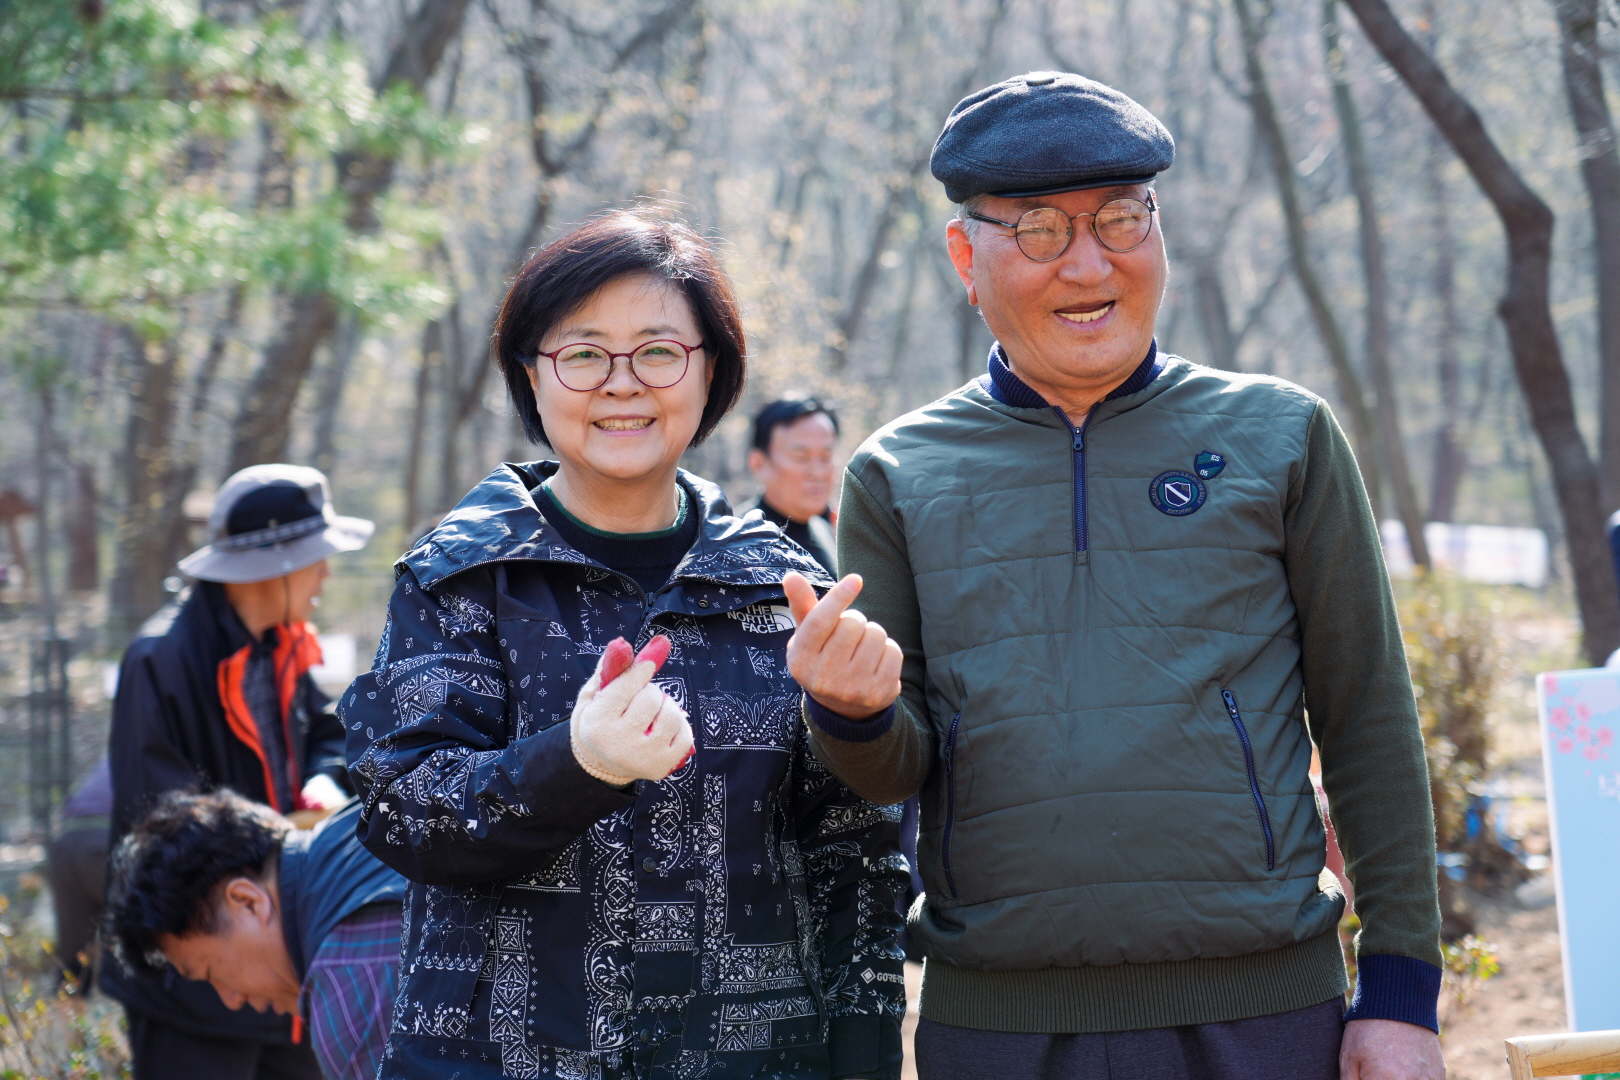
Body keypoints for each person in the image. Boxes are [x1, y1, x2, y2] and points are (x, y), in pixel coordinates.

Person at [784, 72, 1444, 1080]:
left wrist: (1400, 996)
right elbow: (894, 769)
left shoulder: (1283, 436)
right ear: (966, 256)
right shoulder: (900, 472)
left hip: (1265, 1013)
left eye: (1122, 219)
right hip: (999, 1028)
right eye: (1040, 229)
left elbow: (1368, 719)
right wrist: (851, 710)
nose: (1090, 263)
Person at [341, 209, 906, 1080]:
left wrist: (858, 720)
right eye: (583, 354)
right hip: (492, 1059)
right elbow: (401, 814)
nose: (621, 384)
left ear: (711, 370)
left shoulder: (784, 587)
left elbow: (855, 856)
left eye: (658, 352)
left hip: (755, 1061)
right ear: (531, 375)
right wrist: (576, 763)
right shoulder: (462, 576)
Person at [103, 463, 372, 1079]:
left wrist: (325, 783)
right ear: (275, 564)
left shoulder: (284, 644)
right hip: (195, 989)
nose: (326, 572)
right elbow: (162, 830)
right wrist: (279, 837)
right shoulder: (160, 659)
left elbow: (325, 732)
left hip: (280, 969)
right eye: (317, 556)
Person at [104, 791, 405, 1080]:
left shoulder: (347, 991)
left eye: (211, 973)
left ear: (247, 901)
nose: (232, 1000)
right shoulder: (361, 818)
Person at [747, 398, 840, 574]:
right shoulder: (737, 542)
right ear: (758, 463)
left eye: (826, 457)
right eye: (800, 457)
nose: (818, 473)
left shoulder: (830, 533)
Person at [48, 756, 112, 985]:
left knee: (72, 956)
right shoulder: (153, 753)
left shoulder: (107, 760)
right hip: (103, 843)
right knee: (138, 939)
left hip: (64, 843)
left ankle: (67, 1006)